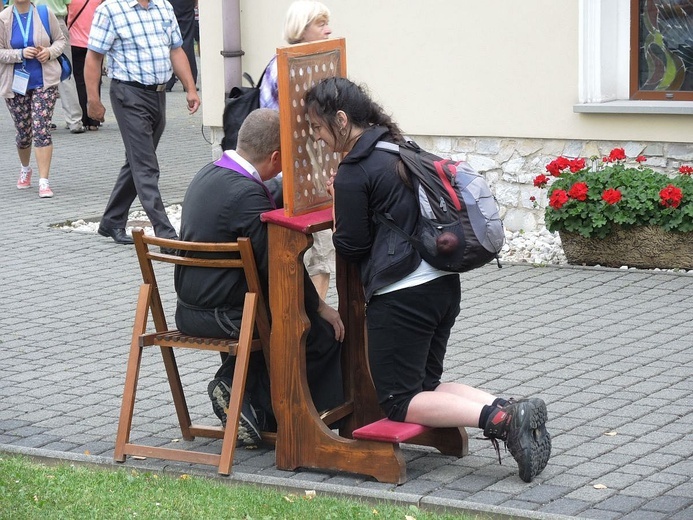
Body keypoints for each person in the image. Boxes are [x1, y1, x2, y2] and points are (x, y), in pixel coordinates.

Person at [304, 77, 552, 483]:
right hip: (441, 286)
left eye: (317, 126)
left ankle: (503, 419)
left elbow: (351, 246)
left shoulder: (353, 170)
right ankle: (511, 408)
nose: (315, 136)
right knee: (426, 386)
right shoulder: (398, 146)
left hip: (402, 296)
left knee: (400, 402)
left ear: (342, 120)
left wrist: (338, 202)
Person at [175, 108, 344, 445]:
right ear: (276, 156)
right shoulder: (247, 194)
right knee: (316, 330)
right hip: (226, 317)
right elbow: (278, 267)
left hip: (191, 309)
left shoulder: (209, 174)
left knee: (280, 316)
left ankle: (250, 406)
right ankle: (296, 423)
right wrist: (321, 306)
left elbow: (256, 207)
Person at [84, 0, 200, 246]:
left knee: (137, 161)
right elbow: (94, 57)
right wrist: (93, 100)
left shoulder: (163, 6)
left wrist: (190, 87)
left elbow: (176, 49)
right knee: (146, 166)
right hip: (128, 94)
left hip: (158, 95)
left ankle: (112, 221)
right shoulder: (110, 9)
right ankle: (165, 232)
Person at [259, 0, 334, 299]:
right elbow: (281, 128)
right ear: (301, 30)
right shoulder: (289, 66)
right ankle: (317, 332)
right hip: (294, 177)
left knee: (318, 256)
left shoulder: (309, 63)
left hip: (306, 174)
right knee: (319, 255)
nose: (328, 30)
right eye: (320, 24)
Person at [1, 0, 65, 198]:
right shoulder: (3, 18)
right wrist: (19, 54)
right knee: (23, 133)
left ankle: (43, 181)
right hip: (16, 84)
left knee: (41, 129)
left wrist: (49, 52)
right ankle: (25, 168)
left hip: (44, 82)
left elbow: (60, 41)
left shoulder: (45, 13)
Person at [33, 0, 85, 133]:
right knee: (66, 71)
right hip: (57, 20)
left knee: (38, 71)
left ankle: (40, 119)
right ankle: (74, 121)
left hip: (33, 22)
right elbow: (68, 4)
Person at [67, 0, 101, 131]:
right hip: (95, 43)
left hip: (75, 42)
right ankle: (94, 120)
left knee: (79, 82)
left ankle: (82, 118)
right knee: (95, 80)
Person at [164, 0, 197, 92]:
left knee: (168, 41)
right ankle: (189, 82)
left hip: (168, 5)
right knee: (187, 41)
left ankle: (168, 82)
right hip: (185, 5)